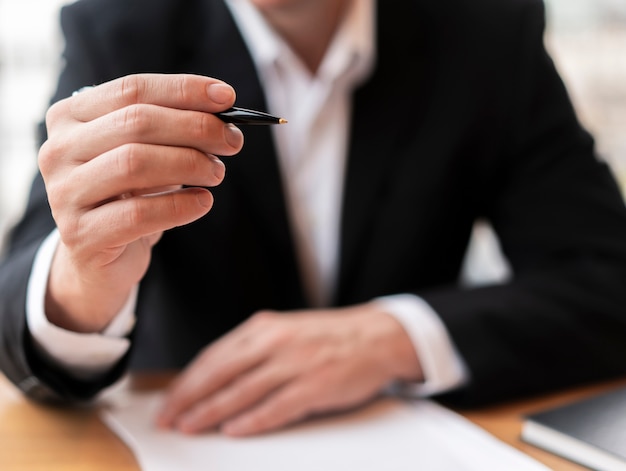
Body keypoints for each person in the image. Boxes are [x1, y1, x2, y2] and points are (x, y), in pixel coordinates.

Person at [2, 0, 626, 438]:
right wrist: (86, 278)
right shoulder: (119, 28)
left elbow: (608, 281)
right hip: (185, 434)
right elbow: (18, 305)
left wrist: (397, 337)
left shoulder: (489, 32)